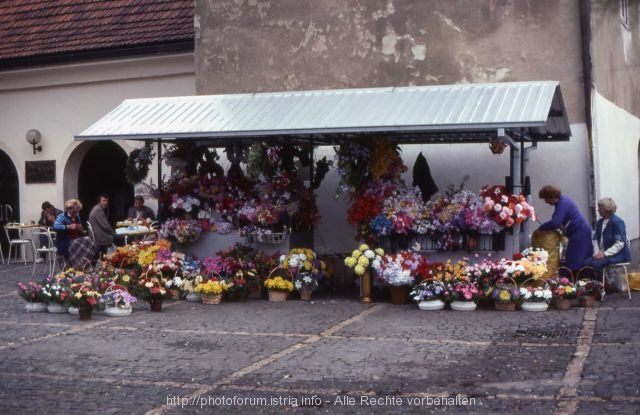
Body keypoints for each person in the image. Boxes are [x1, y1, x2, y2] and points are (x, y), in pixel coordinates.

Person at [534, 185, 592, 273]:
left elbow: (555, 222)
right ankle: (577, 280)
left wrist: (541, 228)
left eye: (546, 199)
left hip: (580, 232)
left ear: (552, 197)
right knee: (576, 259)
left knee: (575, 260)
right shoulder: (562, 202)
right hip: (578, 232)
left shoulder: (563, 203)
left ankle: (576, 282)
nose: (546, 202)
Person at [583, 197, 631, 279]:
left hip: (617, 255)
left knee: (596, 264)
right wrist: (597, 253)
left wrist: (604, 254)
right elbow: (595, 239)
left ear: (607, 209)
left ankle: (604, 286)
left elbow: (620, 243)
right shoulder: (600, 222)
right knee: (586, 263)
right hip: (604, 255)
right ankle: (592, 286)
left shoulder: (617, 222)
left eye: (600, 208)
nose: (598, 210)